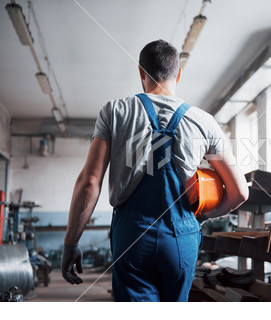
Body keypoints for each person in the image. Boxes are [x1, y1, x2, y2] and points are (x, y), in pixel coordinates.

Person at [61, 39, 248, 301]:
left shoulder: (115, 111)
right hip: (182, 235)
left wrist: (71, 243)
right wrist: (201, 218)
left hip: (132, 235)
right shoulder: (204, 121)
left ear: (141, 72)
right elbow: (240, 192)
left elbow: (90, 182)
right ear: (178, 74)